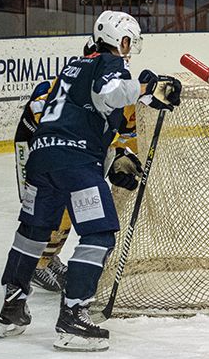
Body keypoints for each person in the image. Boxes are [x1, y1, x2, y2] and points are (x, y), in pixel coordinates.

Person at [0, 10, 181, 351]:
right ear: (119, 40)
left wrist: (116, 155)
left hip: (42, 159)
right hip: (76, 163)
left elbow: (89, 114)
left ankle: (12, 307)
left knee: (32, 232)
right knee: (98, 233)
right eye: (128, 42)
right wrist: (147, 87)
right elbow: (109, 94)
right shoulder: (110, 64)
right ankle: (73, 317)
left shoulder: (71, 68)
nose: (129, 49)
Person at [13, 43, 142, 293]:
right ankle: (37, 264)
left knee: (77, 201)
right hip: (35, 145)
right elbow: (49, 128)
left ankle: (46, 258)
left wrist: (117, 158)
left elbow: (118, 136)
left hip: (71, 152)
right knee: (52, 206)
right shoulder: (65, 87)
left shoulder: (117, 90)